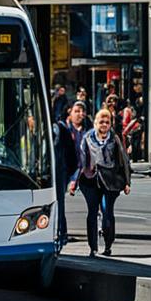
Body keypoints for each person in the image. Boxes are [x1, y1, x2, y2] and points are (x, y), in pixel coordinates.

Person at [70, 108, 132, 257]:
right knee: (92, 212)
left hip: (110, 181)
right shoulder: (87, 138)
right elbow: (81, 162)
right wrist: (74, 181)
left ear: (110, 124)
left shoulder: (114, 139)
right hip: (89, 181)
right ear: (95, 123)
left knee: (107, 212)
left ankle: (108, 244)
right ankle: (93, 248)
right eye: (101, 122)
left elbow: (124, 160)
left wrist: (127, 182)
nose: (104, 124)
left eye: (107, 122)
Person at [52, 101, 86, 247]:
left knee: (59, 202)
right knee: (58, 202)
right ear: (69, 112)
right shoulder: (61, 127)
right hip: (64, 170)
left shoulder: (85, 129)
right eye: (77, 111)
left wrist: (73, 175)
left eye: (82, 112)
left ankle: (61, 232)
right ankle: (61, 232)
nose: (80, 114)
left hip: (72, 169)